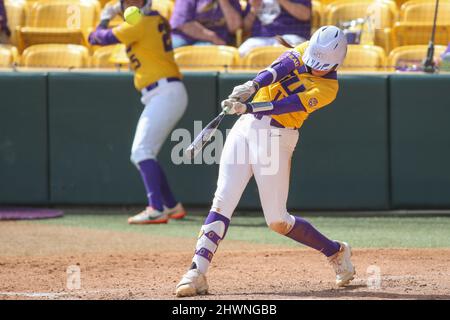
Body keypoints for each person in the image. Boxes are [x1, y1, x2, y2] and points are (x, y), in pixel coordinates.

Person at [175, 25, 355, 297]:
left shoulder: (328, 88)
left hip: (276, 137)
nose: (314, 66)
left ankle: (336, 251)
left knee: (277, 221)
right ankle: (196, 272)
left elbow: (289, 104)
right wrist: (253, 85)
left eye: (321, 65)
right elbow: (278, 69)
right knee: (222, 200)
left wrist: (248, 106)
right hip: (246, 127)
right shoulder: (308, 48)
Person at [88, 0, 188, 224]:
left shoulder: (139, 23)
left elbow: (95, 38)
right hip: (163, 91)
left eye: (137, 0)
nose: (132, 4)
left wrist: (105, 16)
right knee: (145, 152)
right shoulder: (154, 19)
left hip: (164, 91)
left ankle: (156, 208)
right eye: (128, 1)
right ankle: (172, 205)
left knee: (141, 151)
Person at [239, 0, 311, 57]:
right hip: (260, 39)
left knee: (295, 52)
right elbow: (245, 29)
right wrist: (254, 9)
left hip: (290, 37)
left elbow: (305, 15)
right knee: (241, 53)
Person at [170, 0, 243, 48]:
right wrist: (213, 37)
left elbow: (234, 27)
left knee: (206, 50)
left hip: (213, 43)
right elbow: (183, 24)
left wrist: (223, 2)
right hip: (184, 37)